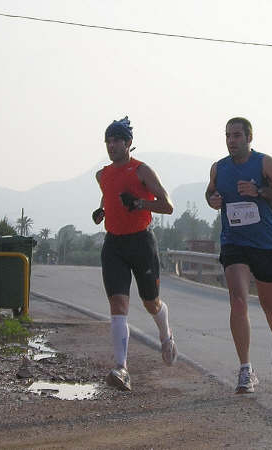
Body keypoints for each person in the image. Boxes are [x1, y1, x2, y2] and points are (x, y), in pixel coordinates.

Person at [205, 117, 272, 394]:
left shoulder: (263, 163)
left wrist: (260, 190)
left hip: (266, 243)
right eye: (227, 135)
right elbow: (210, 193)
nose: (231, 140)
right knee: (237, 300)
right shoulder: (218, 168)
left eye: (236, 135)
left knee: (270, 307)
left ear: (249, 137)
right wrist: (212, 201)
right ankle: (245, 370)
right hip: (234, 242)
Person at [93, 116, 177, 391]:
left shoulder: (142, 170)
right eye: (108, 140)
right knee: (118, 306)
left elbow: (168, 206)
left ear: (128, 143)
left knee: (151, 303)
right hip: (114, 245)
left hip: (141, 243)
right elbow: (111, 196)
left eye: (117, 140)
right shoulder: (102, 174)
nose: (112, 145)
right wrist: (102, 210)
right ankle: (122, 368)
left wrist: (140, 203)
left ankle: (166, 336)